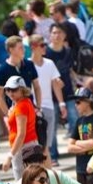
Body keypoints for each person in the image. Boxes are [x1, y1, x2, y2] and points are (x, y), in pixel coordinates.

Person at [28, 34, 66, 162]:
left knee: (47, 143)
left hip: (48, 106)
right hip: (33, 108)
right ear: (33, 47)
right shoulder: (27, 64)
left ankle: (48, 167)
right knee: (36, 143)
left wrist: (61, 104)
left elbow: (56, 84)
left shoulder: (50, 63)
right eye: (42, 45)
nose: (45, 47)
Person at [2, 76, 39, 179]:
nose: (10, 93)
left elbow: (21, 134)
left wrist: (10, 156)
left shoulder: (21, 106)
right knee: (32, 182)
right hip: (29, 144)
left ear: (22, 89)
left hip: (23, 147)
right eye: (8, 90)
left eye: (14, 89)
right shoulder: (24, 102)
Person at [46, 23, 79, 139]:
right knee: (52, 123)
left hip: (68, 90)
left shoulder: (68, 51)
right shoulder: (46, 52)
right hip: (51, 93)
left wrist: (78, 80)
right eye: (54, 33)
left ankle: (73, 140)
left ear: (64, 35)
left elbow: (69, 69)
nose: (57, 35)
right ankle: (53, 153)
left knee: (74, 117)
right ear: (50, 35)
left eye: (59, 32)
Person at [0, 36, 42, 116]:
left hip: (30, 109)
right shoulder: (2, 70)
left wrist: (38, 107)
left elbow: (37, 87)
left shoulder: (29, 65)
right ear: (11, 50)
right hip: (14, 112)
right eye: (20, 48)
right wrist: (7, 113)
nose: (24, 50)